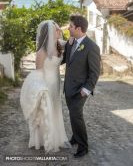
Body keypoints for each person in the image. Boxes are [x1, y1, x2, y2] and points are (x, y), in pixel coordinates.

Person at [20, 20, 70, 153]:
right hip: (46, 83)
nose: (59, 31)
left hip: (56, 83)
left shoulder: (59, 45)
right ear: (49, 33)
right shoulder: (42, 52)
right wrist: (40, 88)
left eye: (58, 29)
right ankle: (42, 139)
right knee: (45, 110)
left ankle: (57, 136)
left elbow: (71, 43)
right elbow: (38, 72)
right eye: (56, 30)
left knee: (55, 108)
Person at [62, 15, 101, 158]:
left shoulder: (92, 47)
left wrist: (86, 89)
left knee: (76, 116)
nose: (68, 28)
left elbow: (95, 72)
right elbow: (64, 60)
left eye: (71, 26)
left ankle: (83, 147)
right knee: (73, 116)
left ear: (78, 28)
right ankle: (75, 137)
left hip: (80, 91)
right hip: (68, 88)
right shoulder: (71, 42)